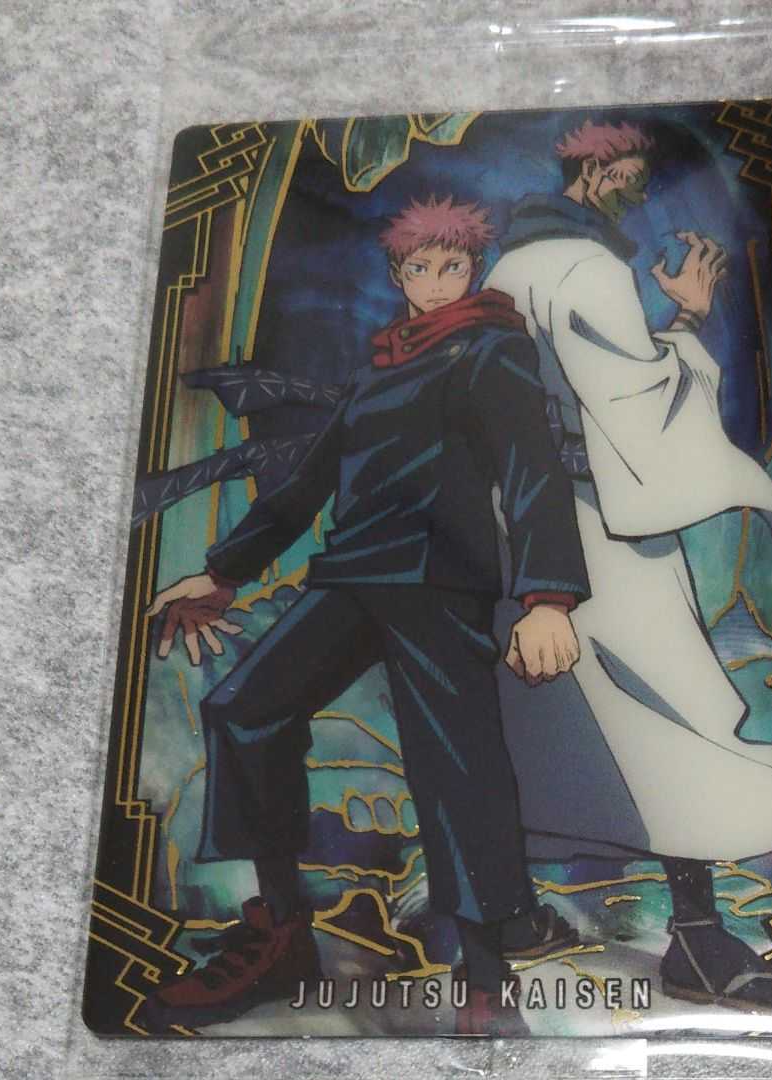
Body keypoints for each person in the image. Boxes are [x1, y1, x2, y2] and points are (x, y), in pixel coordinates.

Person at [142, 195, 590, 1035]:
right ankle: (283, 934)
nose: (435, 282)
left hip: (437, 583)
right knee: (243, 709)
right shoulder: (380, 365)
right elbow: (308, 481)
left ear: (474, 270)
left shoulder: (493, 347)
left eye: (451, 266)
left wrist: (548, 597)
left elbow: (532, 468)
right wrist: (223, 574)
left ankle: (486, 981)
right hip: (352, 573)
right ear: (398, 275)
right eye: (419, 268)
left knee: (454, 767)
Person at [484, 120, 772, 1011]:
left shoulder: (509, 267)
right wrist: (687, 321)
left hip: (520, 523)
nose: (637, 189)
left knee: (549, 716)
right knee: (676, 707)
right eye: (629, 174)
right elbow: (636, 410)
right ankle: (700, 939)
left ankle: (507, 915)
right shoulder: (587, 269)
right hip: (598, 524)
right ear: (594, 170)